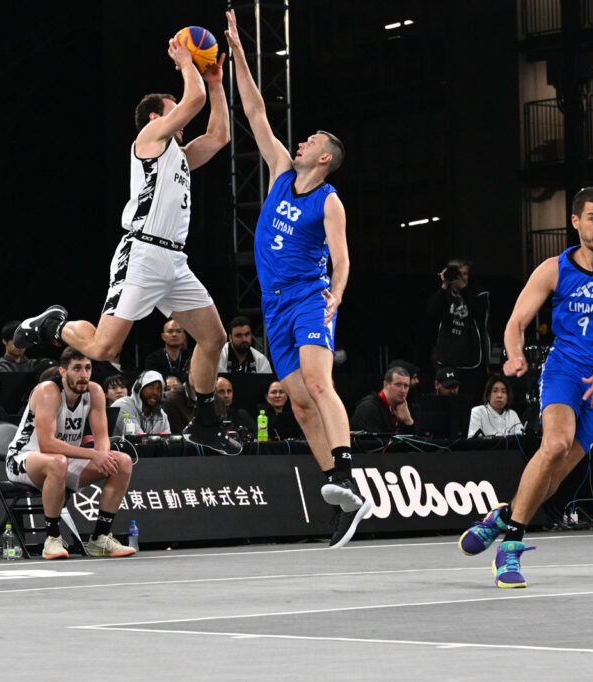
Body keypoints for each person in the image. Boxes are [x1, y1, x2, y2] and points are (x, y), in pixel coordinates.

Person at [13, 34, 241, 456]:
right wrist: (185, 62)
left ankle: (205, 420)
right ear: (155, 118)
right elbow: (191, 102)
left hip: (174, 261)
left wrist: (215, 82)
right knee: (105, 348)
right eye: (173, 111)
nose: (182, 120)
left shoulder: (179, 156)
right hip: (142, 254)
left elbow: (220, 135)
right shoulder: (149, 141)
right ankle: (50, 326)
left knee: (213, 338)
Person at [225, 10, 370, 547]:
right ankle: (338, 494)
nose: (301, 141)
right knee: (299, 402)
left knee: (317, 383)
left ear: (325, 157)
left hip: (311, 297)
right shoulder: (282, 172)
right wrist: (239, 54)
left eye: (311, 140)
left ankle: (348, 472)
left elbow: (343, 259)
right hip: (274, 305)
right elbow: (255, 112)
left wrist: (337, 295)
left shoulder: (329, 200)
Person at [458, 187, 593, 588]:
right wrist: (514, 354)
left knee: (556, 473)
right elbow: (515, 323)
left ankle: (502, 517)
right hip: (565, 369)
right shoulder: (553, 269)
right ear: (576, 221)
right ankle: (510, 547)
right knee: (555, 444)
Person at [6, 347, 136, 559]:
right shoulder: (48, 391)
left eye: (88, 368)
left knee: (122, 462)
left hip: (64, 459)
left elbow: (102, 437)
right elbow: (47, 444)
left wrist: (102, 455)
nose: (84, 374)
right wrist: (93, 455)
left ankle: (100, 538)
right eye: (77, 368)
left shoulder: (95, 392)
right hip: (23, 458)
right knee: (57, 462)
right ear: (63, 371)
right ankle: (52, 539)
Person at [426, 258, 490, 398]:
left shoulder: (479, 293)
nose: (461, 278)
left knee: (470, 401)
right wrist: (444, 285)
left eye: (465, 274)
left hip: (471, 358)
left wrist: (463, 289)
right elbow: (431, 311)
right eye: (457, 274)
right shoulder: (444, 294)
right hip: (448, 358)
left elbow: (479, 313)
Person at [350, 366, 415, 434]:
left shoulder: (401, 408)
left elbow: (413, 439)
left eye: (406, 386)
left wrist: (408, 420)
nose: (403, 390)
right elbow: (373, 440)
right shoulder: (369, 407)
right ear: (386, 385)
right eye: (398, 385)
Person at [110, 370, 170, 436]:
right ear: (138, 388)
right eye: (150, 387)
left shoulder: (162, 416)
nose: (155, 392)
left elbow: (168, 440)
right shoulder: (123, 406)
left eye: (159, 389)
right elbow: (137, 439)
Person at [143, 317, 192, 384]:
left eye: (178, 331)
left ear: (184, 336)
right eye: (170, 331)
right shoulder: (152, 359)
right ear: (163, 336)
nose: (174, 335)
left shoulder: (191, 357)